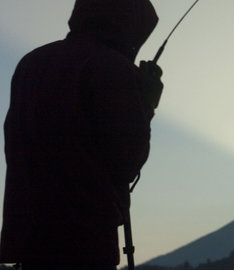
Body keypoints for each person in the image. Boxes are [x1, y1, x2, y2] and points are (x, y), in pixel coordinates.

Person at [0, 0, 163, 269]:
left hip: (30, 236)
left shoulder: (30, 63)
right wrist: (146, 105)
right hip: (86, 240)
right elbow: (127, 160)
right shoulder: (114, 69)